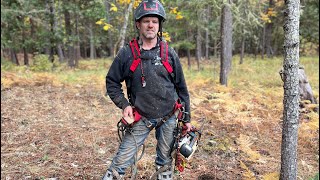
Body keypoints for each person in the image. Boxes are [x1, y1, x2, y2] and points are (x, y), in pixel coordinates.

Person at [103, 0, 191, 179]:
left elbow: (182, 88)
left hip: (169, 116)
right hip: (140, 117)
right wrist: (124, 104)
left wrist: (187, 118)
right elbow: (112, 82)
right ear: (138, 24)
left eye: (155, 21)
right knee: (119, 163)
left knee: (165, 163)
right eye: (146, 21)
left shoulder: (169, 53)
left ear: (159, 25)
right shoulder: (127, 54)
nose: (151, 25)